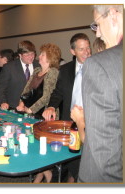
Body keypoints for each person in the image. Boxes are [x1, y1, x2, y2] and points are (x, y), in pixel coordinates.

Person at [77, 5, 123, 183]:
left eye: (97, 24)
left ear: (112, 14)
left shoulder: (100, 64)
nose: (97, 34)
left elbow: (104, 154)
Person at [42, 33, 91, 183]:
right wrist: (51, 106)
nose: (87, 52)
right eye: (81, 49)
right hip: (68, 122)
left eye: (88, 48)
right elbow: (58, 93)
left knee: (82, 163)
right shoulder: (65, 70)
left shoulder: (97, 67)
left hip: (88, 122)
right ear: (73, 51)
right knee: (66, 160)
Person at [16, 43, 60, 118]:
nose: (39, 56)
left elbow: (47, 96)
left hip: (45, 114)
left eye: (42, 55)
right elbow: (27, 89)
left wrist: (31, 109)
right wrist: (21, 103)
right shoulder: (36, 70)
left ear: (50, 57)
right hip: (30, 111)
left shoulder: (53, 72)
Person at [0, 40, 40, 110]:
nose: (31, 57)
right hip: (14, 106)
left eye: (32, 54)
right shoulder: (9, 67)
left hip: (33, 108)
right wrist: (3, 101)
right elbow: (1, 87)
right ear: (20, 55)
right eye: (27, 55)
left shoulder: (39, 65)